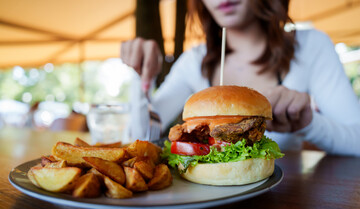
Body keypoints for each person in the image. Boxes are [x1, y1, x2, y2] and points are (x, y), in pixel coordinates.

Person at [121, 0, 360, 156]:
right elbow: (143, 137)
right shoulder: (193, 61)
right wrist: (141, 77)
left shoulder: (311, 46)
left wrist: (308, 124)